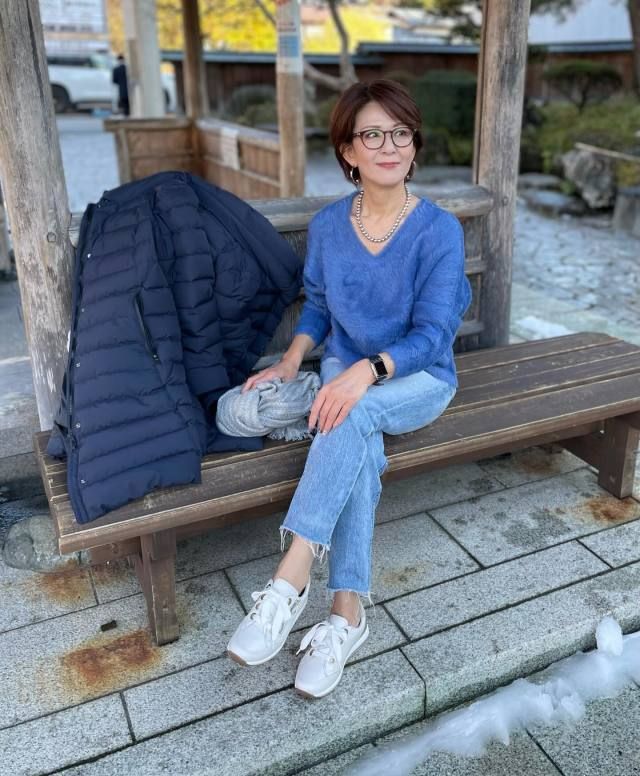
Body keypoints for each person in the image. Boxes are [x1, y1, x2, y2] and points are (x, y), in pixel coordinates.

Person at [226, 79, 472, 698]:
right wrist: (291, 361)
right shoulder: (331, 225)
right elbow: (317, 304)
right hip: (343, 369)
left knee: (351, 415)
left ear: (414, 145)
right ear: (348, 150)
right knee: (354, 440)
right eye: (373, 134)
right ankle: (345, 617)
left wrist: (369, 370)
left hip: (417, 377)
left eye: (401, 133)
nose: (389, 146)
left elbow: (434, 333)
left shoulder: (438, 231)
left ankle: (289, 580)